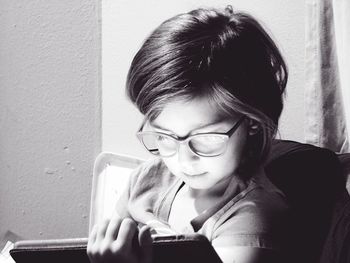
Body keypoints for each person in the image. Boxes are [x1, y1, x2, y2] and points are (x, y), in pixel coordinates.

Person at [87, 5, 289, 263]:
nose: (184, 160)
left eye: (206, 138)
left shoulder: (251, 220)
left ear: (251, 122)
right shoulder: (145, 180)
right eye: (164, 137)